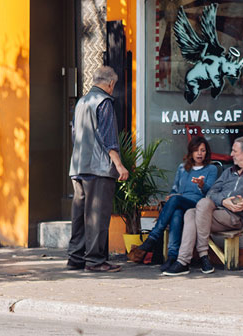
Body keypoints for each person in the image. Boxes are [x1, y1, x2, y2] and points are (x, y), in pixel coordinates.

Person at [163, 136, 243, 276]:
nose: (231, 155)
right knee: (193, 211)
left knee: (192, 213)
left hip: (233, 217)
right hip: (215, 213)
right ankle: (191, 260)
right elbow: (211, 193)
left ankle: (192, 259)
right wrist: (224, 200)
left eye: (234, 151)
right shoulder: (228, 172)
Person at [66, 66, 129, 273]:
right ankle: (95, 260)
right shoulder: (104, 103)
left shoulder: (81, 102)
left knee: (80, 215)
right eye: (114, 85)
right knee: (97, 216)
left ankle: (76, 258)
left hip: (78, 166)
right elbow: (108, 138)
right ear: (110, 83)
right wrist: (119, 165)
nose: (113, 88)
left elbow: (75, 134)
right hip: (98, 168)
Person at [128, 135, 218, 271]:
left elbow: (211, 193)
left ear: (207, 152)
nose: (199, 153)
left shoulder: (212, 169)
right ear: (191, 152)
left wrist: (201, 184)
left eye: (203, 150)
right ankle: (172, 257)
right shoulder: (182, 168)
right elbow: (175, 189)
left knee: (176, 201)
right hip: (181, 201)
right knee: (176, 212)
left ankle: (152, 238)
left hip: (198, 205)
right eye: (196, 150)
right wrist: (171, 196)